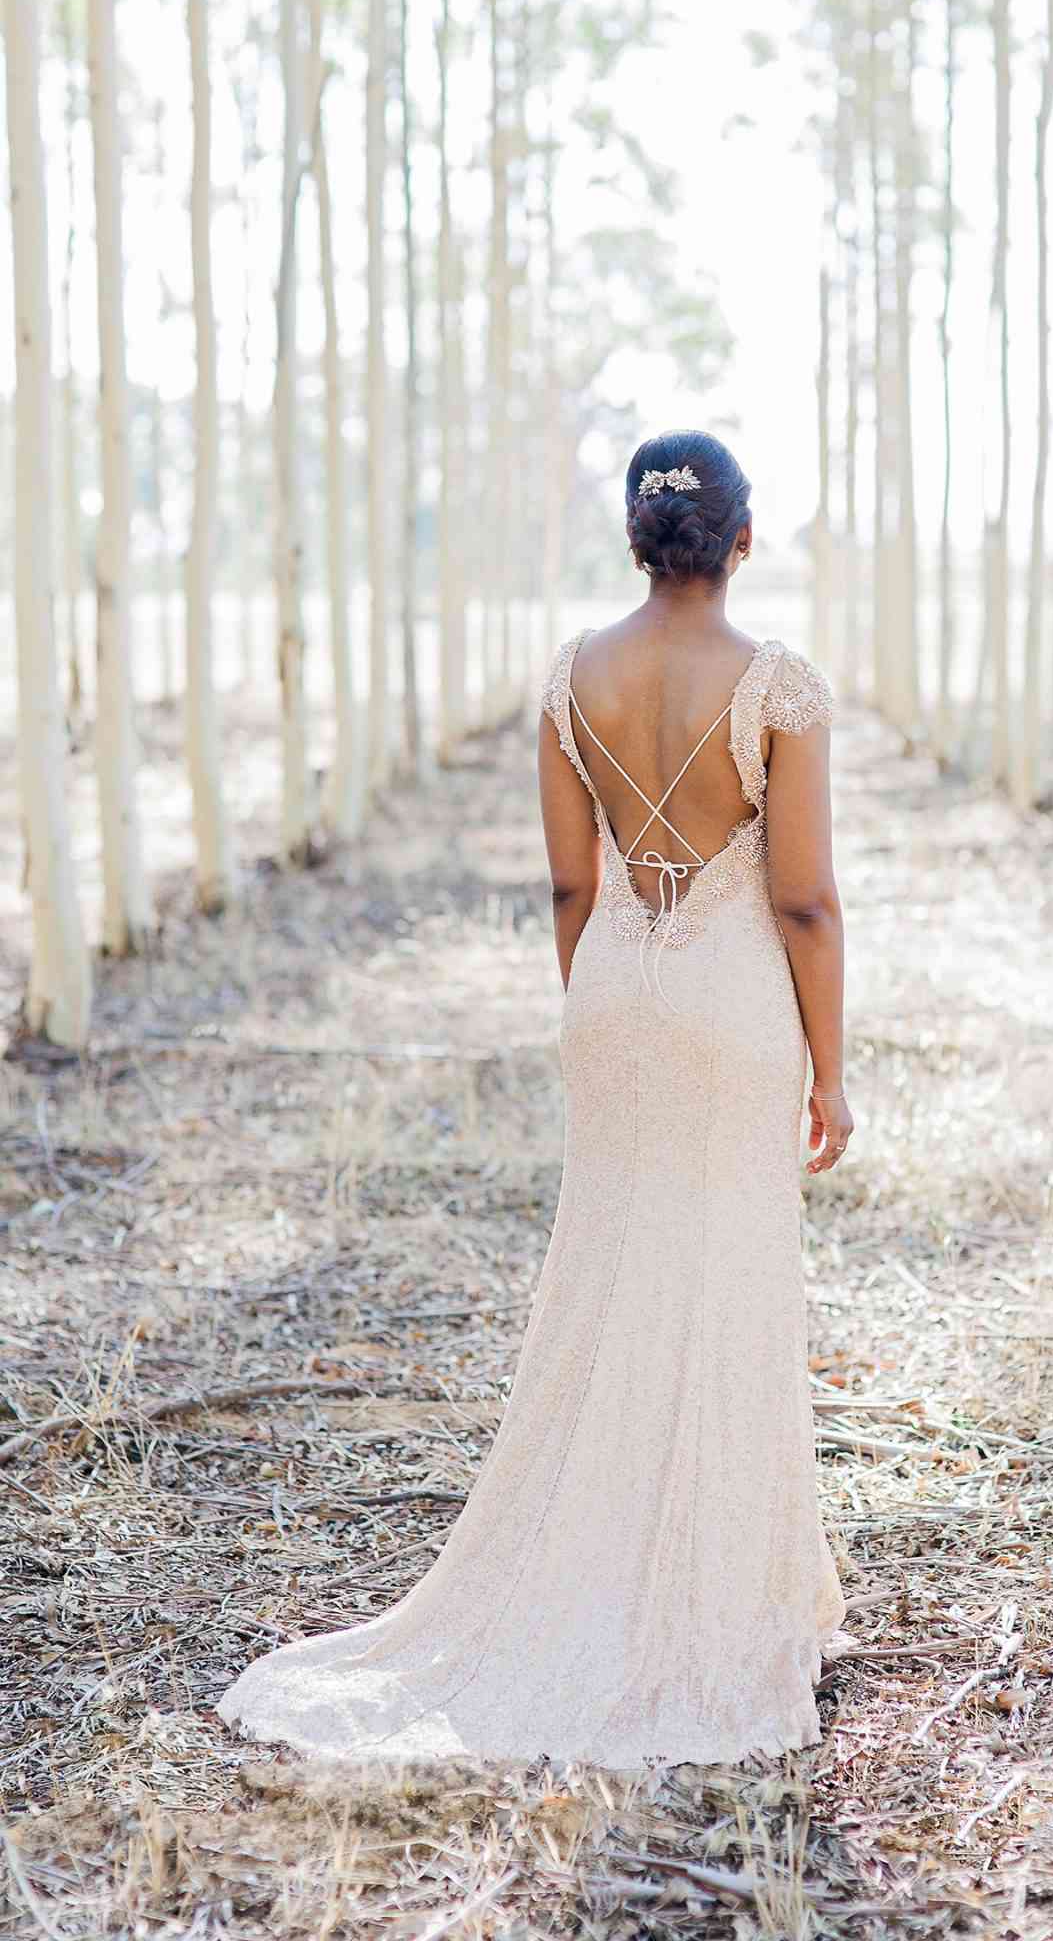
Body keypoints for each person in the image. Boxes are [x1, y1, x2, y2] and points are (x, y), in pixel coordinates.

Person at [215, 430, 853, 1769]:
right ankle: (714, 1606)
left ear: (638, 540)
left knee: (610, 1268)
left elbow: (571, 887)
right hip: (735, 1004)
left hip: (613, 991)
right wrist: (830, 1070)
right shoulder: (780, 689)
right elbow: (799, 898)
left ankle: (608, 1563)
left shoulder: (569, 680)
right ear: (740, 541)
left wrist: (603, 1007)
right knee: (725, 1273)